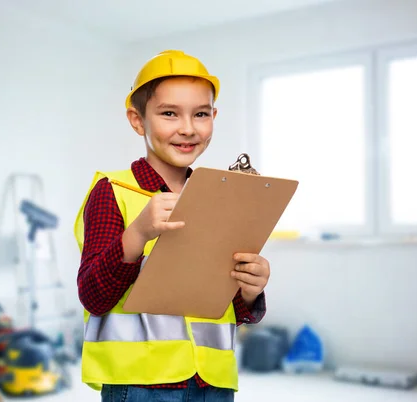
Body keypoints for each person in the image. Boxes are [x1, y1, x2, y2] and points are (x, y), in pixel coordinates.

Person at [74, 50, 271, 402]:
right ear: (137, 120)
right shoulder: (114, 191)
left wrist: (249, 290)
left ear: (214, 116)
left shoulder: (224, 198)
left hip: (213, 382)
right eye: (169, 113)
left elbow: (226, 309)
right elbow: (93, 296)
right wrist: (137, 233)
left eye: (201, 114)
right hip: (138, 383)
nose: (188, 128)